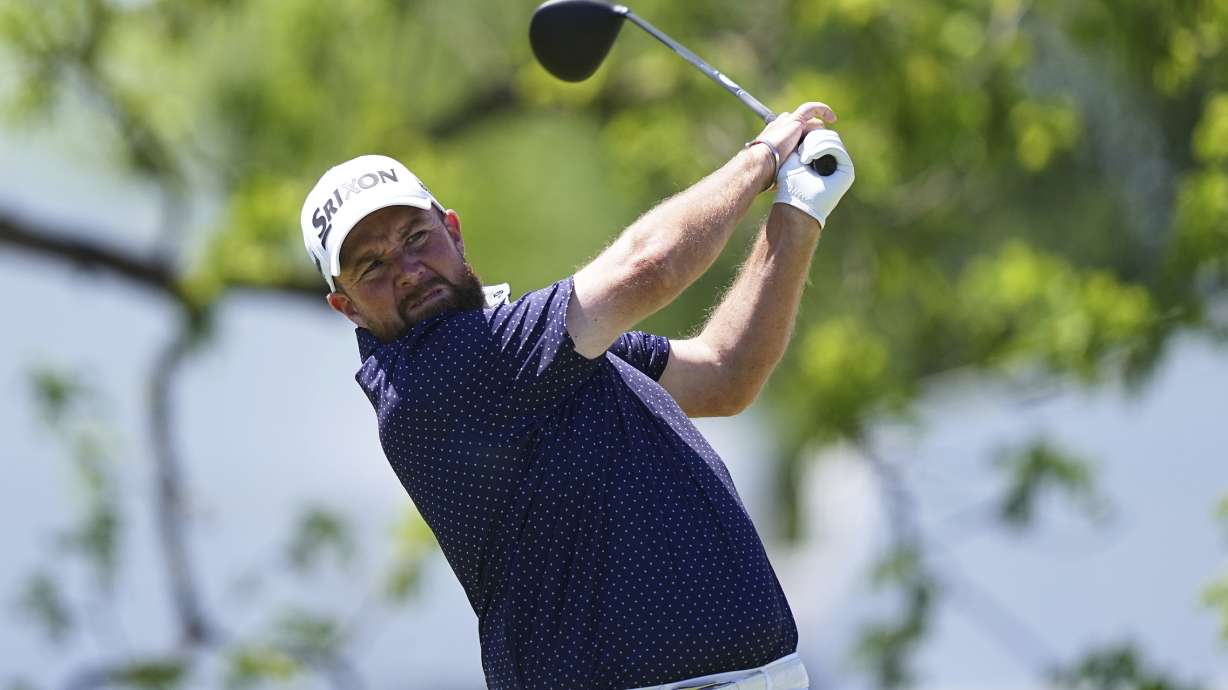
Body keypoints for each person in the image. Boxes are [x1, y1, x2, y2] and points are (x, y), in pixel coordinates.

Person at [298, 101, 855, 690]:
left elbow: (724, 373)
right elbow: (648, 265)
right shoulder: (438, 373)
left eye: (416, 237)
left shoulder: (533, 350)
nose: (407, 270)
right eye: (371, 266)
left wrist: (799, 212)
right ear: (347, 306)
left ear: (452, 231)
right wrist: (763, 158)